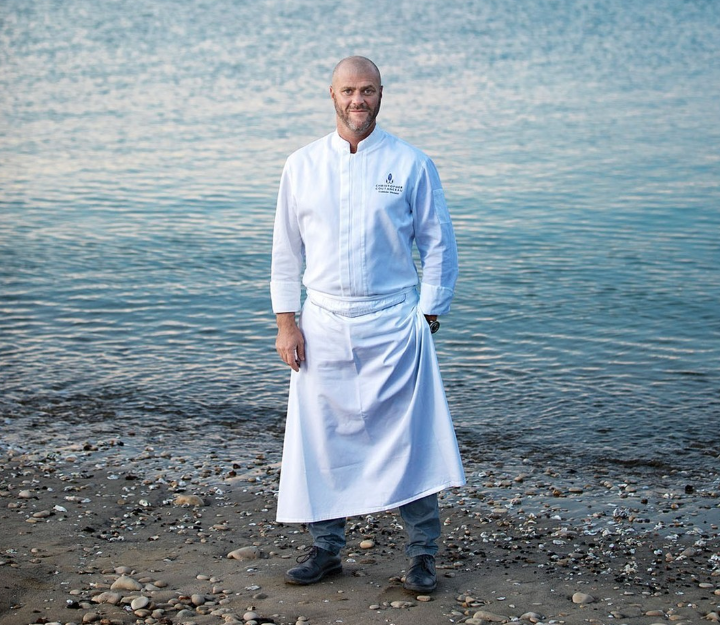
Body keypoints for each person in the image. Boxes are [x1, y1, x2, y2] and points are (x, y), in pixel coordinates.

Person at [270, 56, 465, 593]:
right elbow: (286, 253)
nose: (359, 100)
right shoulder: (302, 165)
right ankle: (326, 548)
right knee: (322, 438)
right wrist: (287, 323)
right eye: (349, 91)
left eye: (369, 91)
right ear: (332, 95)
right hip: (323, 321)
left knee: (410, 440)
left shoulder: (411, 163)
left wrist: (429, 313)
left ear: (381, 94)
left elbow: (438, 243)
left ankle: (422, 555)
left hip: (394, 322)